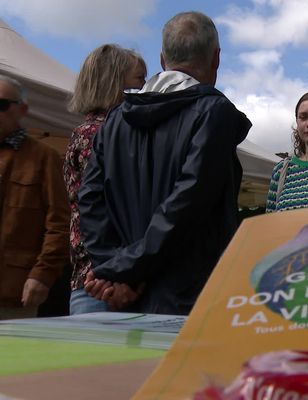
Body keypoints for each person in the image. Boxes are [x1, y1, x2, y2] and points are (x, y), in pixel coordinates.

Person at [78, 11, 251, 315]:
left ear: (161, 59)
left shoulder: (116, 118)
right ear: (217, 59)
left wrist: (117, 272)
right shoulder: (213, 112)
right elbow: (187, 205)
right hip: (191, 297)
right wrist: (122, 271)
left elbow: (90, 201)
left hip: (126, 296)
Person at [64, 44, 147, 315]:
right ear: (113, 82)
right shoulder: (100, 135)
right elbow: (101, 214)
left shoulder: (89, 132)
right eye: (138, 81)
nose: (146, 88)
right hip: (102, 284)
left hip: (98, 279)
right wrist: (119, 275)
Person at [0, 75, 70, 319]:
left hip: (14, 293)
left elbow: (59, 224)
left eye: (1, 105)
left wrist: (42, 274)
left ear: (23, 110)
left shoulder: (44, 157)